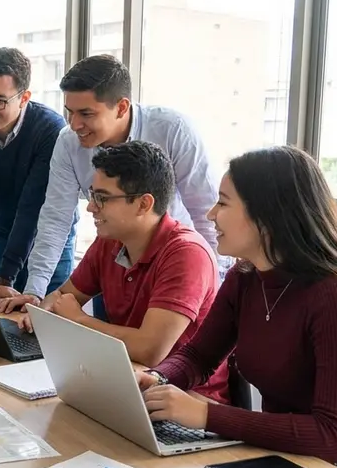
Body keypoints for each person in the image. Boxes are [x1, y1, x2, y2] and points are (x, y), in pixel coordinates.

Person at [137, 146, 337, 468]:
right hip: (290, 457)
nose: (211, 214)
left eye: (223, 203)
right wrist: (157, 378)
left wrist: (206, 414)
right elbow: (198, 356)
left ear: (267, 215)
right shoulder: (245, 277)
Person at [1, 54, 224, 314]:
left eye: (86, 113)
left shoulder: (174, 130)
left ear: (121, 107)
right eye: (70, 112)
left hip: (173, 269)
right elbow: (55, 218)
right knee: (105, 336)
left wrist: (213, 293)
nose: (74, 124)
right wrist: (34, 292)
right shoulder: (68, 142)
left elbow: (207, 213)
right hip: (112, 266)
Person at [16, 141, 228, 403]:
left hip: (186, 398)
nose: (91, 207)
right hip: (126, 378)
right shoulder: (110, 240)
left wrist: (79, 320)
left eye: (102, 198)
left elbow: (150, 351)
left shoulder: (186, 254)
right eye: (92, 194)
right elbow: (62, 297)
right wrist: (41, 314)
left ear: (143, 204)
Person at [0, 47, 74, 296]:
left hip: (49, 240)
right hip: (5, 232)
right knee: (0, 312)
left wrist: (6, 276)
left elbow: (32, 205)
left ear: (24, 98)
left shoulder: (50, 129)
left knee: (47, 313)